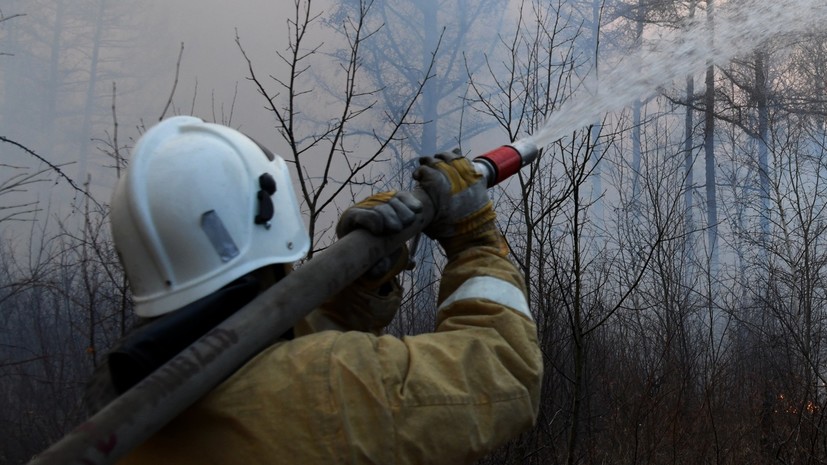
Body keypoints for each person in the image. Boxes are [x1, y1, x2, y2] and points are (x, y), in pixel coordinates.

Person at [90, 116, 542, 464]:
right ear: (269, 213)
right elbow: (505, 369)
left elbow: (269, 364)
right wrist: (475, 240)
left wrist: (359, 284)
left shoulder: (127, 407)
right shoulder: (331, 383)